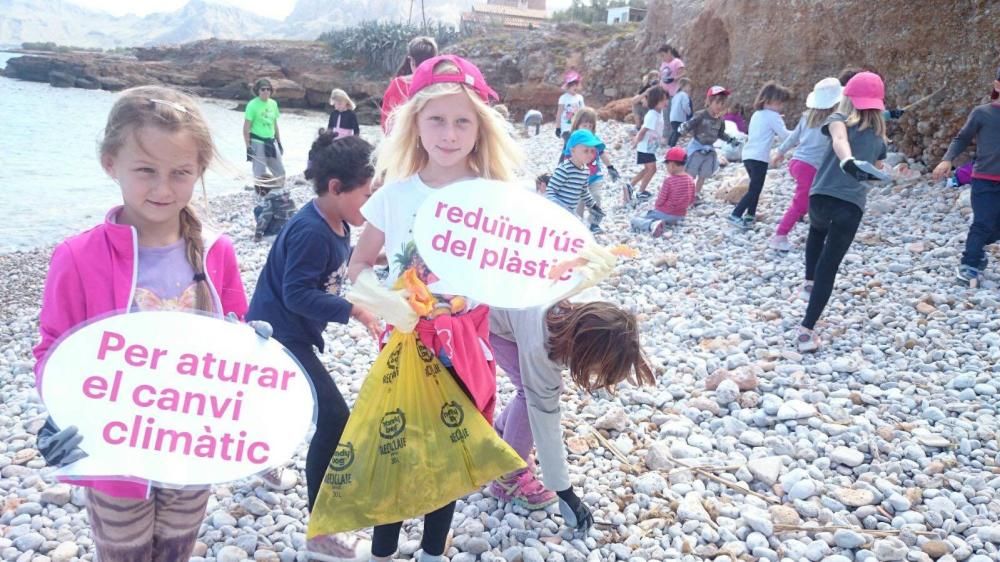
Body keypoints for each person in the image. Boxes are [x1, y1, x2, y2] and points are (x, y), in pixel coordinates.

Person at [33, 86, 250, 562]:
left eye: (180, 173)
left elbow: (236, 340)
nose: (163, 189)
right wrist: (61, 410)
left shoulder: (218, 252)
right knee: (124, 552)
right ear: (111, 163)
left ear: (199, 172)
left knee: (176, 550)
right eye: (145, 171)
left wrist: (258, 348)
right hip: (114, 453)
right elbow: (53, 348)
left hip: (193, 448)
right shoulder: (77, 256)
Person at [345, 54, 525, 562]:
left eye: (462, 120)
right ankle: (381, 552)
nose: (449, 133)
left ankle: (430, 552)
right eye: (436, 120)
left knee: (447, 454)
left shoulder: (496, 197)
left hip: (466, 345)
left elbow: (521, 268)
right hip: (402, 346)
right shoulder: (394, 197)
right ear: (414, 124)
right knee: (393, 453)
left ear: (480, 127)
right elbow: (356, 268)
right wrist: (386, 303)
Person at [246, 133, 380, 559]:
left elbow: (340, 261)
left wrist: (382, 258)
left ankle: (261, 459)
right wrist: (354, 311)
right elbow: (296, 294)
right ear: (336, 188)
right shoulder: (310, 231)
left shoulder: (337, 223)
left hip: (292, 332)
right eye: (367, 194)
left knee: (281, 403)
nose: (371, 204)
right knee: (335, 418)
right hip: (278, 334)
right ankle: (320, 530)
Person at [488, 298, 655, 518]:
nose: (595, 376)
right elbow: (543, 413)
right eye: (596, 370)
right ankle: (508, 477)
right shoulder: (540, 345)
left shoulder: (568, 312)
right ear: (585, 353)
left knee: (534, 389)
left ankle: (503, 436)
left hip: (509, 305)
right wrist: (565, 492)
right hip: (490, 317)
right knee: (530, 394)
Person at [796, 71, 890, 353]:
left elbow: (839, 138)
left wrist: (846, 157)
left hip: (820, 198)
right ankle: (806, 331)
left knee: (816, 231)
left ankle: (808, 283)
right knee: (830, 265)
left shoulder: (836, 119)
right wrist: (852, 162)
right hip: (850, 207)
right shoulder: (879, 137)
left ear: (847, 98)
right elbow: (878, 167)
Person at [932, 66, 1000, 286]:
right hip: (984, 180)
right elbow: (962, 138)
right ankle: (969, 264)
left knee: (991, 228)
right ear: (997, 85)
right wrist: (947, 159)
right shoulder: (983, 113)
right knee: (982, 223)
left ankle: (977, 248)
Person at [769, 77, 843, 251]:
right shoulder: (833, 122)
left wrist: (780, 152)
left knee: (817, 196)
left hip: (797, 163)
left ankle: (818, 226)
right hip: (810, 167)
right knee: (801, 203)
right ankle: (779, 236)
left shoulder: (807, 117)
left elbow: (793, 137)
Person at [730, 82, 793, 229]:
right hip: (760, 158)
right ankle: (736, 214)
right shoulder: (773, 116)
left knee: (755, 186)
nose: (781, 107)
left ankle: (750, 215)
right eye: (780, 103)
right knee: (755, 189)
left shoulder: (757, 114)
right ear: (770, 101)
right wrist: (801, 133)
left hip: (747, 155)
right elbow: (785, 136)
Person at [560, 107, 620, 233]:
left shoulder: (594, 139)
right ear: (577, 125)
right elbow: (566, 157)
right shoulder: (573, 139)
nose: (587, 128)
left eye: (590, 125)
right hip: (577, 179)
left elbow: (602, 154)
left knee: (596, 197)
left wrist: (610, 167)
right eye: (584, 125)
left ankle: (594, 223)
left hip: (594, 177)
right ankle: (577, 224)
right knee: (578, 203)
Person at [680, 86, 742, 199]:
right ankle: (685, 194)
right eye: (717, 102)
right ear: (709, 101)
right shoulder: (701, 115)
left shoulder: (720, 120)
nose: (720, 106)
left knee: (703, 174)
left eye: (722, 103)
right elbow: (691, 123)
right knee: (691, 173)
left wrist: (731, 140)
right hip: (697, 148)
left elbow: (721, 134)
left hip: (709, 150)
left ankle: (695, 194)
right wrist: (683, 128)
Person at [548, 129, 606, 231]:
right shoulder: (565, 169)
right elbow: (550, 191)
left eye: (592, 151)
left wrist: (593, 206)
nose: (590, 154)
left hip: (570, 212)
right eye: (585, 151)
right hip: (556, 212)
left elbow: (583, 192)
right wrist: (559, 207)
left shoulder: (585, 170)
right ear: (573, 151)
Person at [631, 146, 697, 235]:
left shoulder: (669, 180)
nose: (666, 167)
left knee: (635, 219)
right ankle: (665, 223)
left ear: (672, 165)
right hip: (680, 215)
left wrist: (656, 207)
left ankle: (652, 225)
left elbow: (661, 200)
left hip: (666, 213)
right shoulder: (690, 179)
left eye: (667, 165)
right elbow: (691, 199)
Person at [380, 36, 439, 133]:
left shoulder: (398, 85)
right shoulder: (442, 85)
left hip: (403, 142)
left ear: (411, 60)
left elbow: (386, 122)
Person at [627, 86, 669, 202]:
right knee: (652, 169)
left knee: (648, 169)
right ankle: (640, 191)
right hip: (646, 146)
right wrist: (637, 140)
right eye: (662, 100)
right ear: (655, 102)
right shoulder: (652, 114)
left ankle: (630, 185)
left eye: (666, 99)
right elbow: (643, 130)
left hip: (650, 147)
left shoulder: (658, 113)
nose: (666, 102)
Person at [244, 78, 286, 182]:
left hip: (271, 142)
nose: (266, 91)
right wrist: (248, 146)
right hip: (257, 142)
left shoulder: (273, 104)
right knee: (260, 175)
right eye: (263, 89)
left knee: (280, 173)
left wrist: (279, 142)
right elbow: (246, 128)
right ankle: (260, 197)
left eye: (268, 89)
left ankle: (277, 195)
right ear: (258, 91)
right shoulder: (252, 105)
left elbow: (275, 124)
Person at [253, 173, 296, 242]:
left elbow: (264, 218)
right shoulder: (287, 196)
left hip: (276, 233)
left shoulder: (270, 200)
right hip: (289, 230)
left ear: (263, 191)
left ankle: (267, 235)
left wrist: (257, 235)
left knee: (258, 210)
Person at [556, 71, 584, 140]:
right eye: (572, 85)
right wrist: (558, 128)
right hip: (566, 128)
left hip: (577, 127)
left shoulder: (580, 98)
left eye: (576, 85)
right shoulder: (563, 98)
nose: (575, 87)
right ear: (568, 86)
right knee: (568, 144)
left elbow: (583, 112)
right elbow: (559, 114)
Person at [667, 77, 693, 147]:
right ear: (684, 86)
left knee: (675, 130)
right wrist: (689, 112)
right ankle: (672, 145)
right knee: (678, 131)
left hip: (672, 117)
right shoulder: (684, 95)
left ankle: (669, 144)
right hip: (679, 117)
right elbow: (685, 106)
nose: (690, 88)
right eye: (689, 86)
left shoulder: (676, 95)